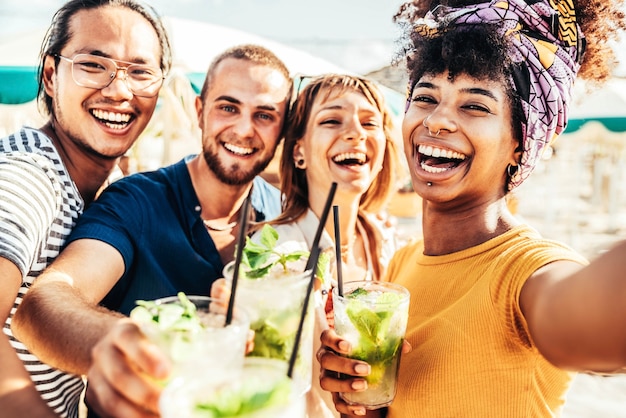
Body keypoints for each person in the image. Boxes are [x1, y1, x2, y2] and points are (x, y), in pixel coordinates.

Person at [316, 0, 626, 417]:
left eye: (475, 105)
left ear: (520, 141)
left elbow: (584, 327)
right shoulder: (401, 266)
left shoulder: (528, 270)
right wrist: (361, 398)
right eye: (425, 97)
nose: (438, 121)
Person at [12, 43, 292, 417]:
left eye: (264, 115)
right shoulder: (136, 201)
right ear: (200, 112)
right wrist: (115, 342)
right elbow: (43, 302)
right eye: (228, 107)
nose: (243, 129)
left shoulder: (283, 216)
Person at [0, 0, 171, 417]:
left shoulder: (106, 187)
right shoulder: (26, 177)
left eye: (141, 71)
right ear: (51, 76)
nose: (119, 90)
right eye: (94, 65)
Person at [264, 73, 402, 417]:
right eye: (331, 119)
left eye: (370, 122)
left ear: (383, 150)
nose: (356, 132)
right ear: (299, 150)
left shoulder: (389, 242)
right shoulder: (276, 256)